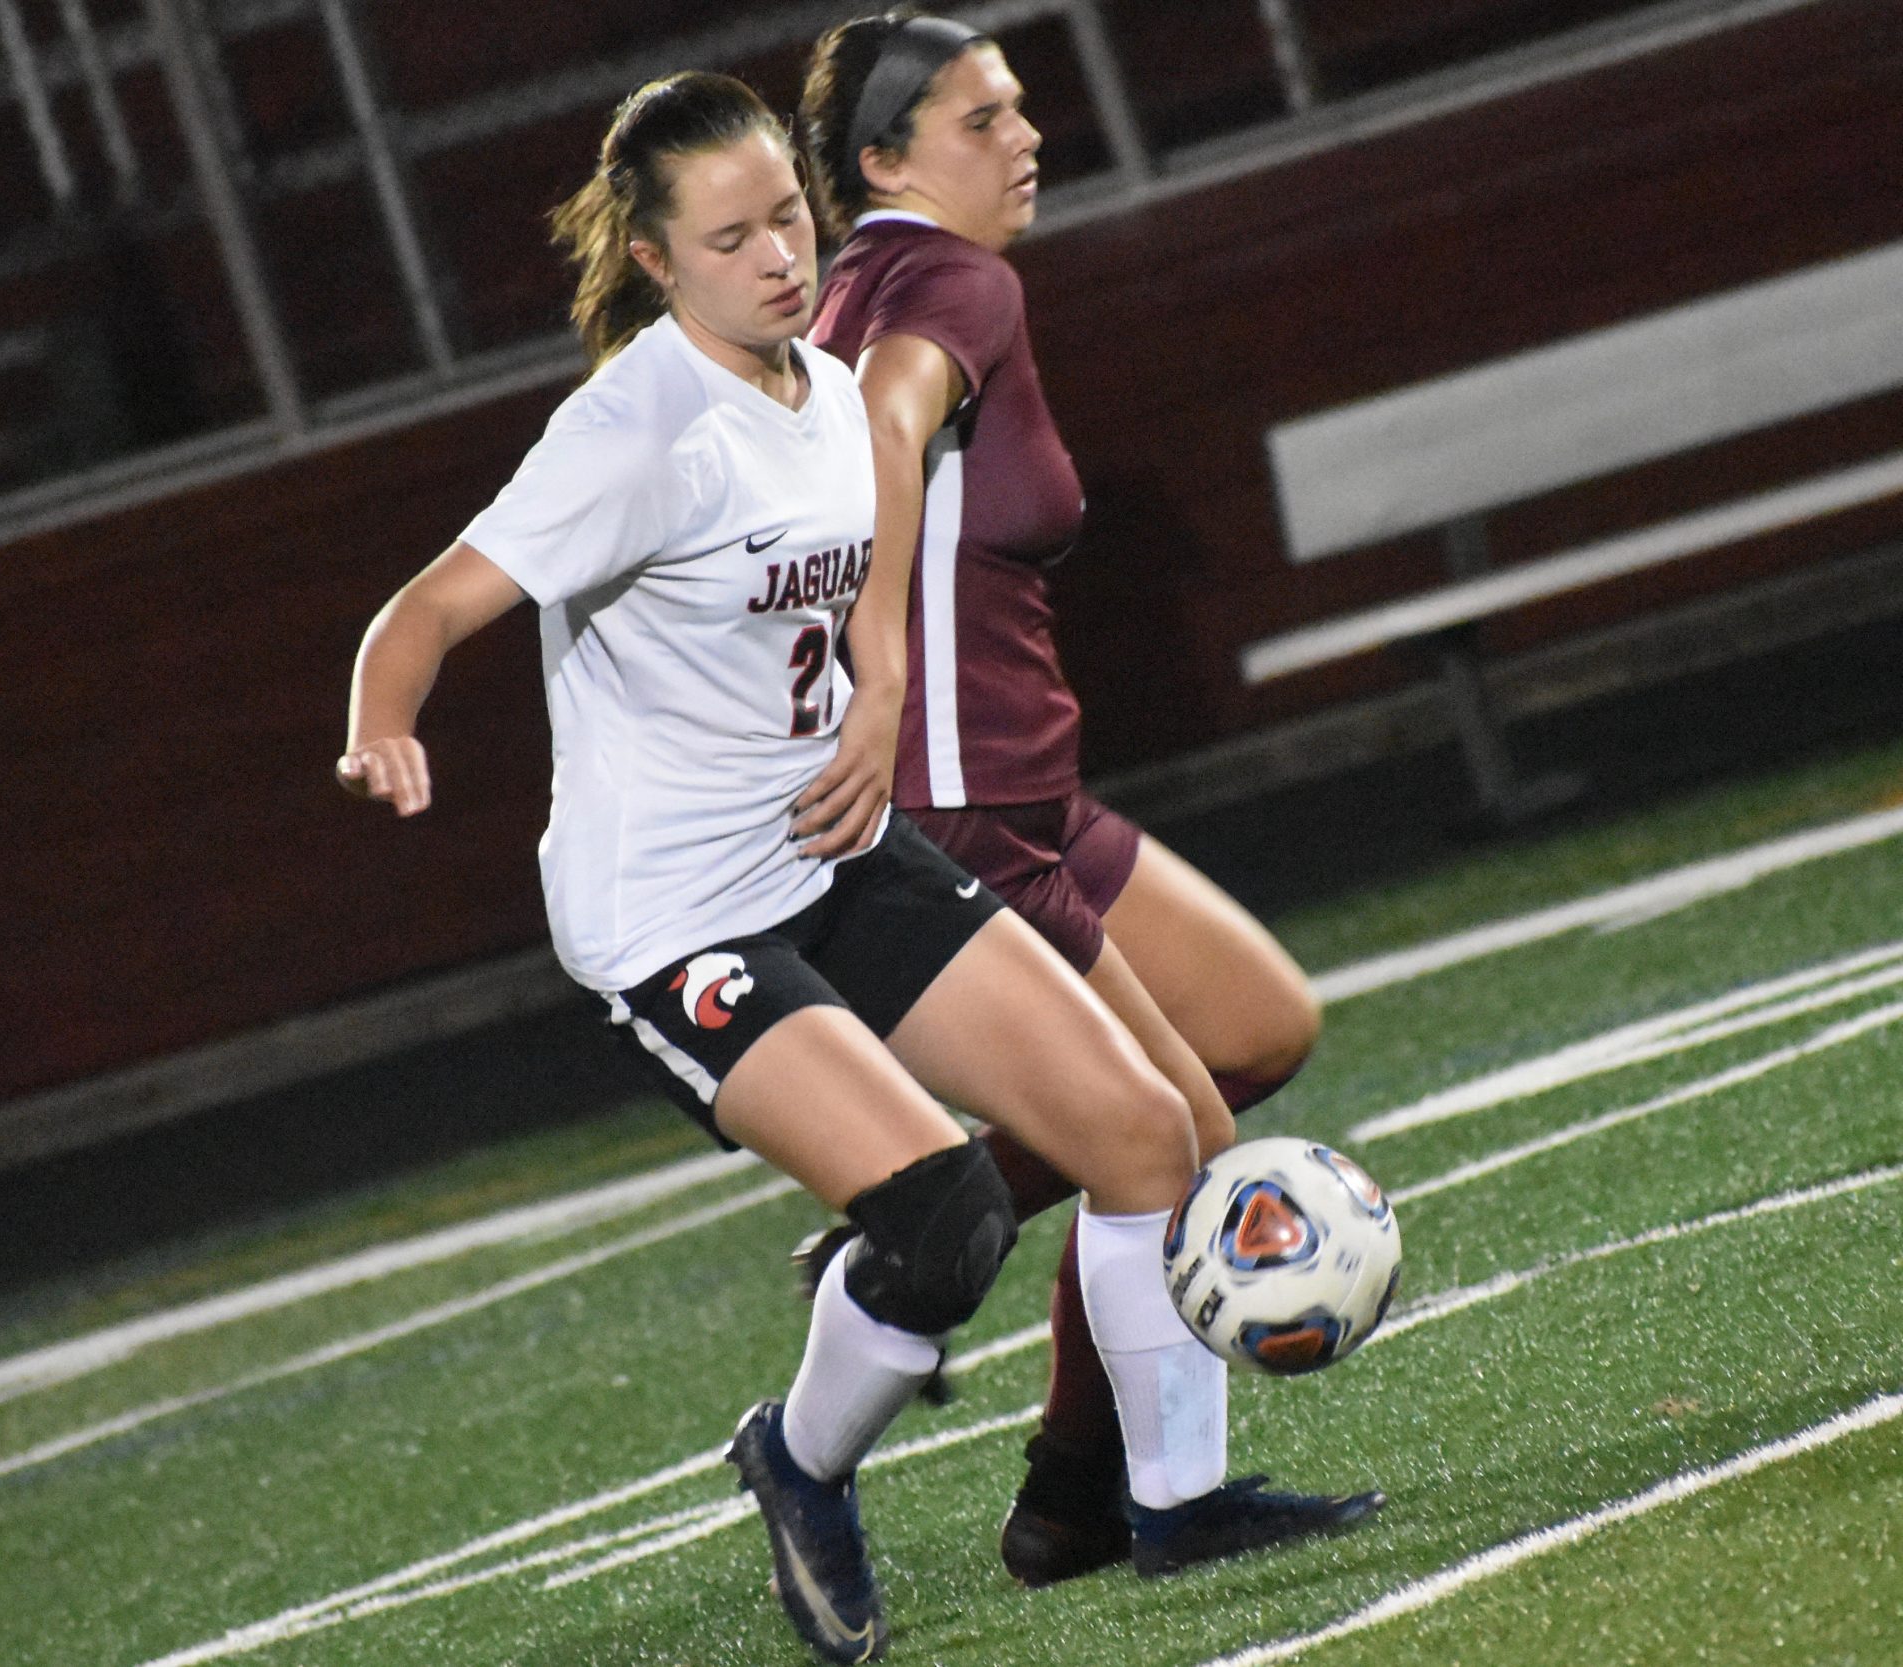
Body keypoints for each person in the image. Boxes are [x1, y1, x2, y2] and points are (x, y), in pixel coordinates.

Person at [336, 71, 1280, 1666]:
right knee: (945, 1219)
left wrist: (885, 694)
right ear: (655, 260)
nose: (779, 256)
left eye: (790, 215)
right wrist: (385, 727)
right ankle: (801, 1461)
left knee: (1141, 1134)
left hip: (833, 847)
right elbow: (424, 610)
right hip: (676, 914)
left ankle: (1180, 1505)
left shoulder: (827, 391)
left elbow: (857, 580)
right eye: (731, 237)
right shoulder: (635, 430)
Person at [797, 10, 1383, 1588]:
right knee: (1176, 1135)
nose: (1025, 137)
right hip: (968, 800)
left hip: (1023, 782)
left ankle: (950, 1211)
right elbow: (883, 425)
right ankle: (1112, 1499)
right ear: (883, 163)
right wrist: (883, 659)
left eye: (1022, 107)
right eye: (980, 118)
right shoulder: (948, 282)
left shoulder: (863, 283)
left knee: (1257, 1025)